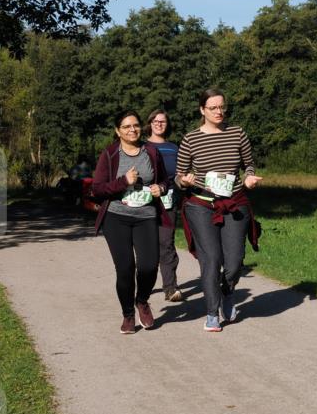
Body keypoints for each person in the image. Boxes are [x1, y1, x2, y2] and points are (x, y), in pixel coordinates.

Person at [176, 89, 262, 332]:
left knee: (234, 262)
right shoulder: (191, 139)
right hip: (201, 204)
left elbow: (249, 165)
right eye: (213, 108)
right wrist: (185, 181)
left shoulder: (237, 133)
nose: (219, 111)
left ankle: (228, 293)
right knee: (211, 259)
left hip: (234, 202)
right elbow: (179, 176)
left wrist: (250, 178)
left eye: (221, 106)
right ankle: (212, 313)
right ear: (202, 110)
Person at [92, 111, 172, 334]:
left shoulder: (152, 152)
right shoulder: (110, 154)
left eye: (135, 125)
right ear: (118, 131)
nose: (132, 130)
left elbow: (165, 180)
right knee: (125, 269)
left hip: (146, 216)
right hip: (116, 217)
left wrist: (161, 188)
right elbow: (97, 189)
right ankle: (128, 314)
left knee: (148, 265)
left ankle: (142, 301)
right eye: (126, 127)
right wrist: (123, 182)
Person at [145, 109, 183, 302]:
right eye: (156, 121)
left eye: (163, 121)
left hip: (168, 202)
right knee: (145, 246)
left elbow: (179, 174)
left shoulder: (173, 148)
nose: (159, 124)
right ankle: (143, 285)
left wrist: (181, 181)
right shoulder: (141, 146)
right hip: (143, 203)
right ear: (150, 123)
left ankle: (170, 287)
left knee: (166, 243)